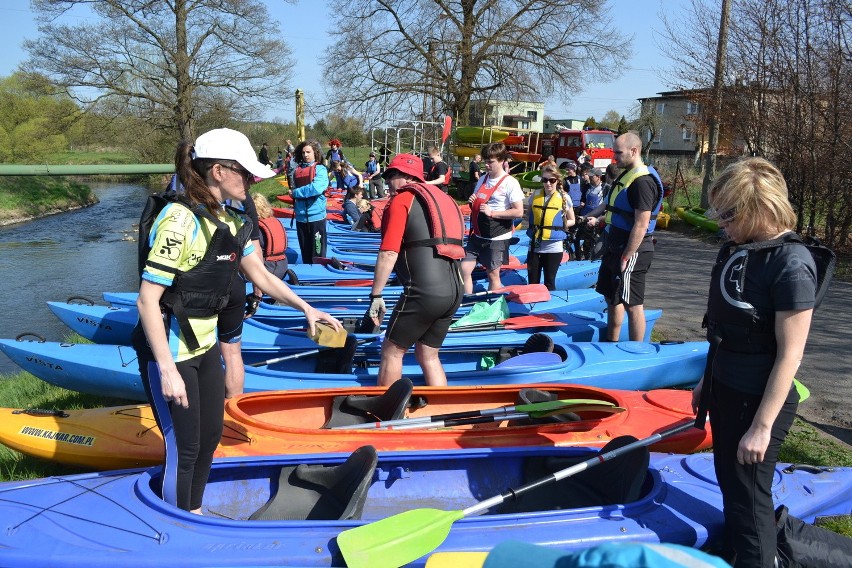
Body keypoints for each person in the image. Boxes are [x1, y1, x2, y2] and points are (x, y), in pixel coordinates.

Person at [132, 128, 340, 513]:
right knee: (186, 445)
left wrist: (306, 308)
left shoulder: (229, 220)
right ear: (218, 172)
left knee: (210, 437)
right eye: (244, 172)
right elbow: (147, 301)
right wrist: (166, 369)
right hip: (172, 352)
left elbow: (261, 276)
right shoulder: (179, 221)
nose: (251, 179)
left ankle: (192, 509)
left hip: (206, 347)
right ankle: (178, 521)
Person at [691, 158, 818, 568]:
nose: (721, 225)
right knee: (730, 484)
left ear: (757, 209)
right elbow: (723, 330)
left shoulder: (792, 263)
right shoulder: (741, 249)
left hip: (759, 400)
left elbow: (790, 355)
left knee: (749, 496)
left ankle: (759, 559)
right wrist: (704, 384)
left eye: (729, 215)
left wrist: (761, 427)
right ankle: (737, 553)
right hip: (726, 386)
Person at [367, 153, 465, 387]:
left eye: (391, 176)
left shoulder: (402, 200)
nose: (388, 183)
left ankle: (385, 417)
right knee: (428, 354)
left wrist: (376, 294)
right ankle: (440, 411)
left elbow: (389, 252)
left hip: (424, 292)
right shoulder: (447, 199)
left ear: (404, 176)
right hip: (455, 291)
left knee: (391, 351)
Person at [594, 131, 663, 342]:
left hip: (633, 250)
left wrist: (627, 255)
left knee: (632, 303)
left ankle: (636, 350)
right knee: (611, 298)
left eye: (618, 152)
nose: (615, 157)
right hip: (614, 246)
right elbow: (609, 205)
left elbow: (641, 224)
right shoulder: (626, 175)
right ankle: (612, 343)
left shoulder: (643, 182)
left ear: (634, 151)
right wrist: (588, 216)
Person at [461, 142, 525, 293]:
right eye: (485, 161)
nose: (487, 165)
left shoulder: (511, 183)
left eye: (491, 162)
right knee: (464, 269)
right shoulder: (483, 178)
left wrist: (493, 213)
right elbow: (479, 202)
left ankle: (493, 306)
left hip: (497, 237)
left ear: (502, 161)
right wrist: (473, 202)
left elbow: (518, 212)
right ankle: (467, 302)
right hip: (477, 234)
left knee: (492, 274)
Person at [526, 164, 575, 290]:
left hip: (553, 247)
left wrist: (559, 226)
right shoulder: (535, 195)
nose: (548, 183)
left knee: (549, 282)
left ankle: (549, 307)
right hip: (535, 245)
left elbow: (572, 220)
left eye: (552, 180)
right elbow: (528, 216)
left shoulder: (564, 197)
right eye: (545, 180)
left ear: (557, 181)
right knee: (532, 282)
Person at [291, 140, 329, 264]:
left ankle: (319, 274)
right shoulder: (297, 170)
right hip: (301, 218)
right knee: (305, 253)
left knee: (317, 254)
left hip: (316, 217)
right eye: (303, 152)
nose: (305, 155)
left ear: (315, 153)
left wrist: (296, 193)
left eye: (308, 152)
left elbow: (316, 188)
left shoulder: (320, 169)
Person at [251, 192, 290, 279]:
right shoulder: (276, 221)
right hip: (283, 265)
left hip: (268, 269)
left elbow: (255, 252)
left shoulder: (257, 228)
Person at [573, 167, 605, 260]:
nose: (590, 178)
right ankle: (581, 257)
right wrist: (582, 204)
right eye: (589, 176)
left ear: (598, 177)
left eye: (592, 176)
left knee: (596, 240)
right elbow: (583, 199)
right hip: (585, 216)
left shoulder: (605, 188)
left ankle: (596, 257)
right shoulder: (587, 187)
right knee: (579, 237)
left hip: (598, 219)